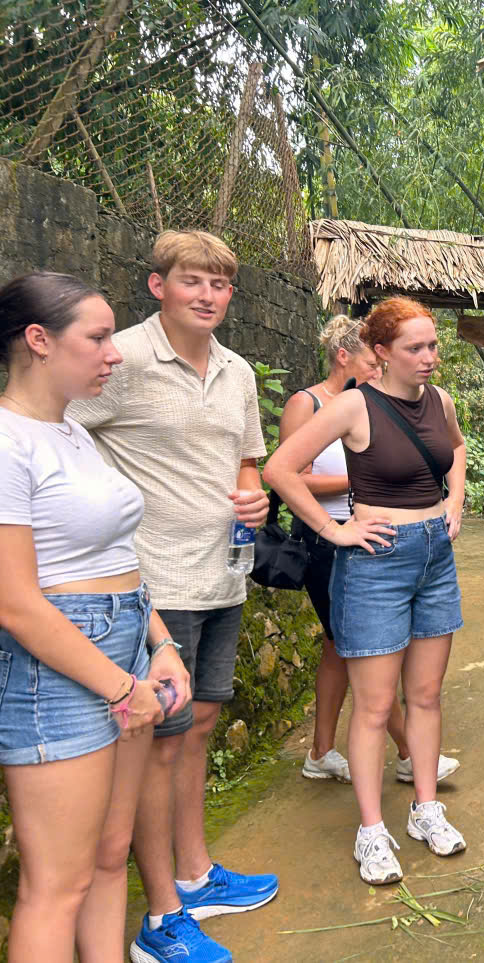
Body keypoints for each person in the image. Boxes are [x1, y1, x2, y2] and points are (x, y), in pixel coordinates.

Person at [68, 231, 278, 963]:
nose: (209, 296)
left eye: (221, 284)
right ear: (158, 285)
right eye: (193, 280)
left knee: (200, 726)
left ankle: (195, 873)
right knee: (157, 746)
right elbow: (60, 436)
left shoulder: (239, 371)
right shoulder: (118, 359)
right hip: (151, 585)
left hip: (223, 573)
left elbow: (246, 461)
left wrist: (252, 499)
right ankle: (159, 919)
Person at [0, 272, 191, 962]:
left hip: (128, 646)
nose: (115, 352)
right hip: (60, 668)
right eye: (100, 336)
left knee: (112, 855)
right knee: (57, 884)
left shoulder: (74, 433)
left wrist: (161, 646)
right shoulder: (7, 441)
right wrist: (119, 685)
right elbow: (16, 601)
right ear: (39, 340)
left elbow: (120, 559)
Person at [264, 296, 468, 886]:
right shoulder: (354, 406)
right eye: (415, 348)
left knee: (426, 695)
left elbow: (453, 452)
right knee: (377, 705)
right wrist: (334, 528)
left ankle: (426, 809)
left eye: (433, 346)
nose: (429, 358)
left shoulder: (441, 402)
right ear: (380, 353)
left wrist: (454, 502)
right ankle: (372, 831)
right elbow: (281, 469)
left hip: (435, 555)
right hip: (376, 560)